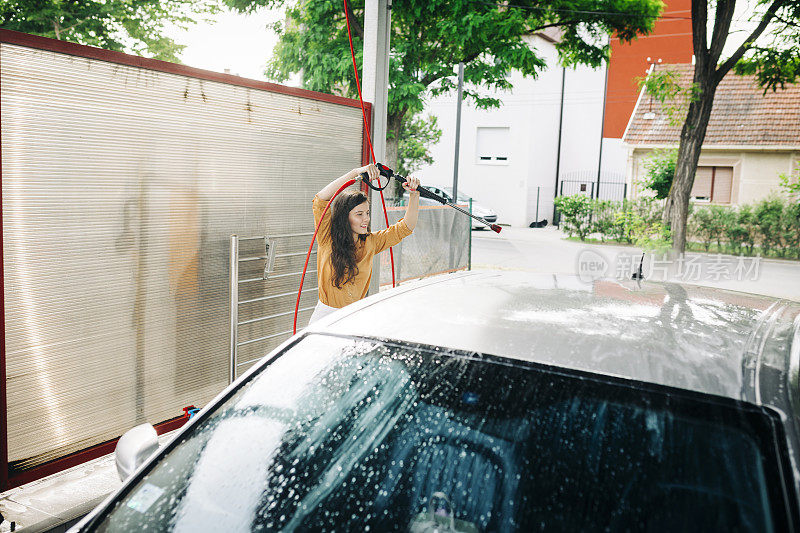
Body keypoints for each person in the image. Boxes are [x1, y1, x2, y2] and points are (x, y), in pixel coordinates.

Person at [308, 163, 420, 323]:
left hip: (355, 316)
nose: (366, 219)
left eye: (367, 213)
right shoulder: (327, 238)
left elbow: (405, 227)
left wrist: (414, 195)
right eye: (359, 214)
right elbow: (320, 200)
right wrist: (355, 172)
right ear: (344, 217)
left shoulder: (371, 242)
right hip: (325, 317)